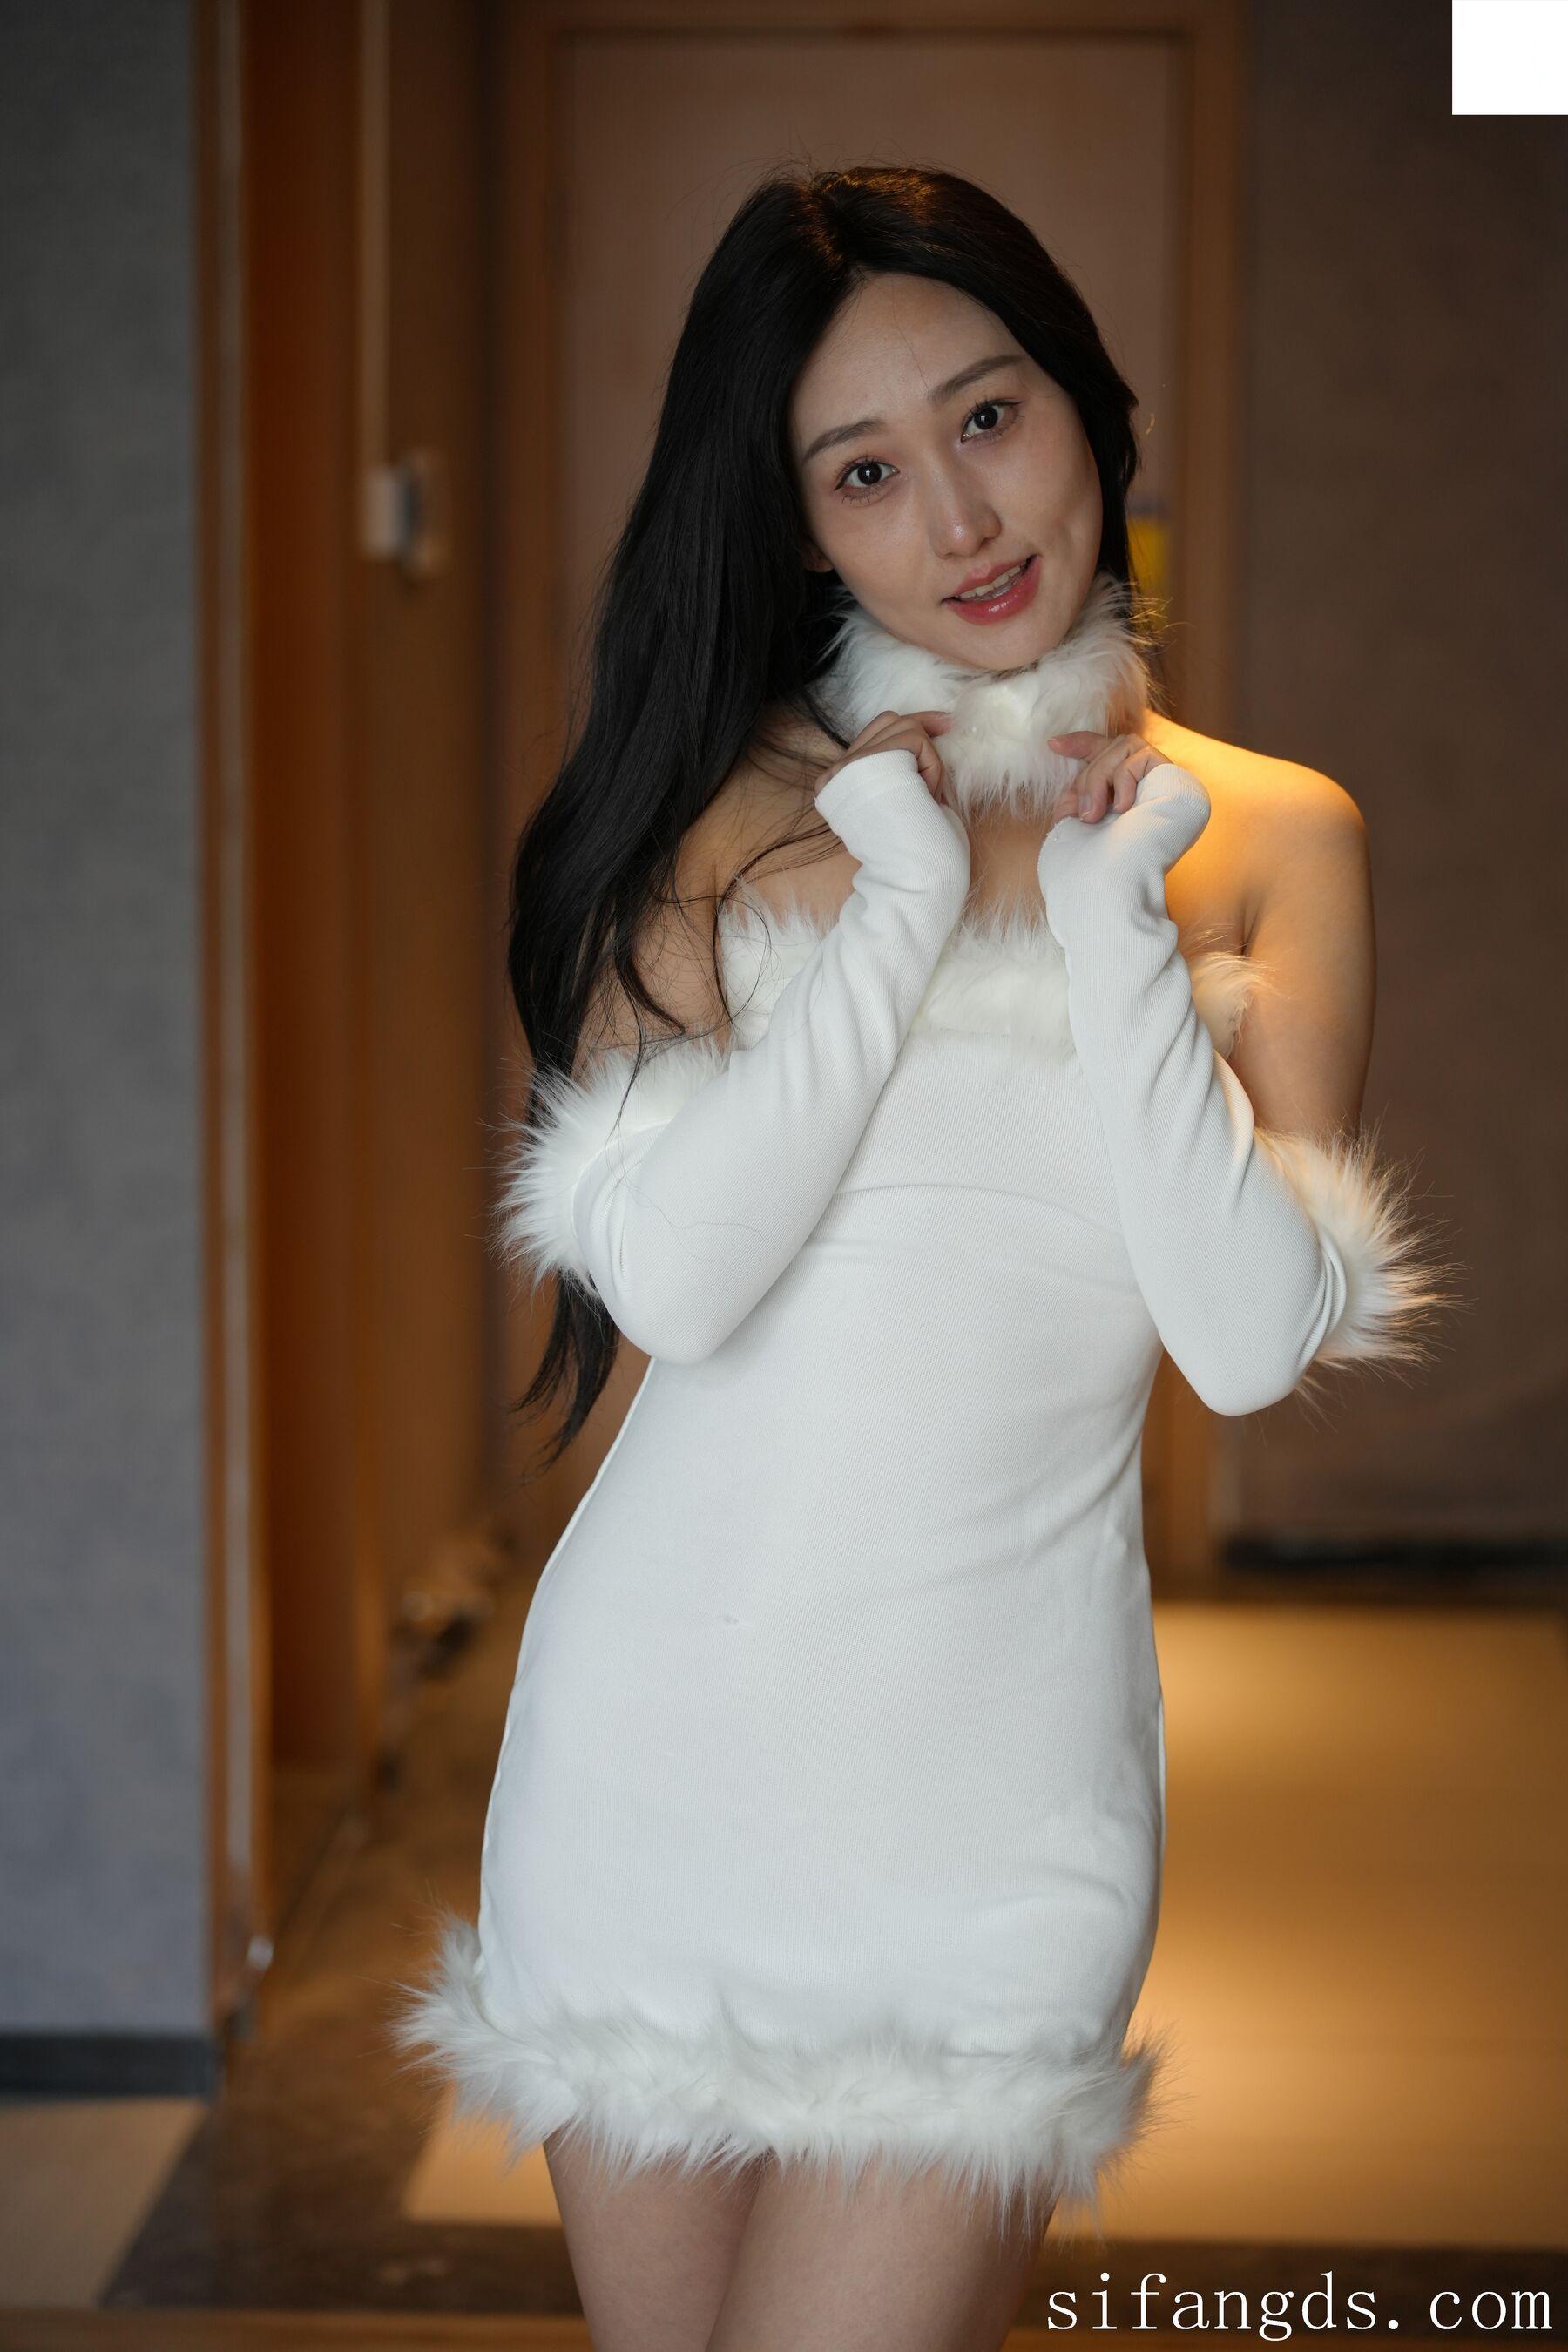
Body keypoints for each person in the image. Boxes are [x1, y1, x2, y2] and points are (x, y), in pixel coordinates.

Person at [388, 165, 1455, 2352]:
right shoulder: (724, 812)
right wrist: (896, 911)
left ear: (1086, 404)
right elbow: (682, 1295)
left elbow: (1248, 1339)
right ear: (801, 532)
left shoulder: (1267, 835)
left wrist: (1111, 922)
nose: (962, 518)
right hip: (652, 1753)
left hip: (996, 1797)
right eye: (864, 472)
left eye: (990, 417)